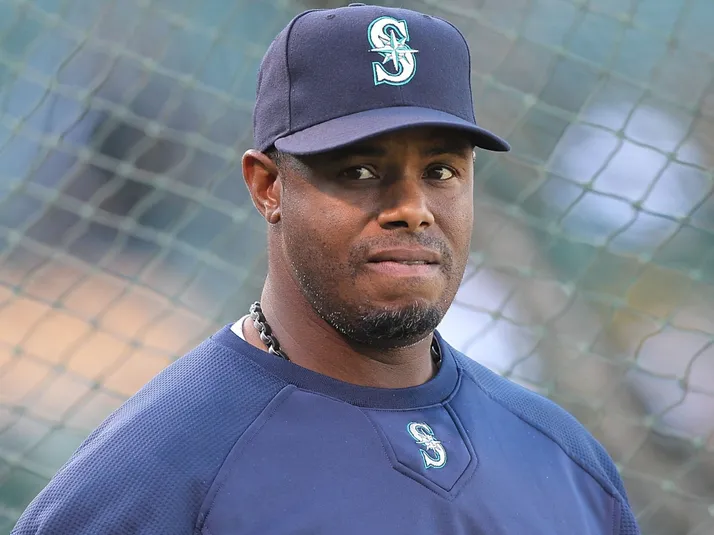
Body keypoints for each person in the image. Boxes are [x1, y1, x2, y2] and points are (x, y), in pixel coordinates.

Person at [12, 3, 641, 534]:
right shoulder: (156, 475)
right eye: (359, 170)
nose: (412, 209)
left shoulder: (564, 462)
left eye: (440, 171)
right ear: (267, 187)